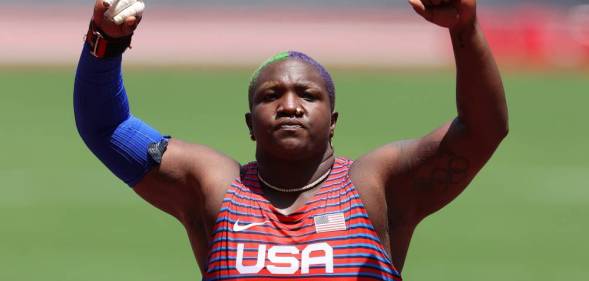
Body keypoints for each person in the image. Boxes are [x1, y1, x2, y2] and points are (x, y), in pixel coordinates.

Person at [74, 0, 508, 280]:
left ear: (333, 120)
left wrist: (464, 30)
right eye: (270, 96)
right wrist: (105, 43)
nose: (289, 105)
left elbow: (482, 131)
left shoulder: (374, 186)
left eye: (307, 94)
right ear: (249, 123)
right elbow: (107, 129)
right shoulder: (216, 187)